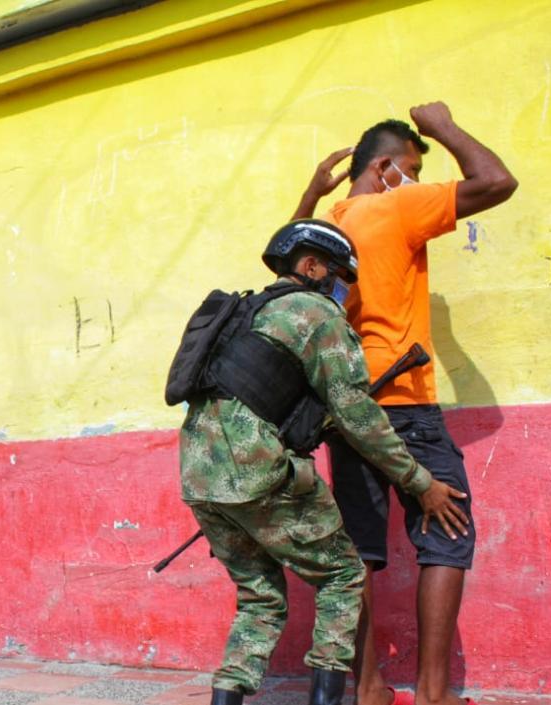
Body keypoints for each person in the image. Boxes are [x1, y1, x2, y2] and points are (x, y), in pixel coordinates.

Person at [179, 220, 470, 705]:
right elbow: (358, 415)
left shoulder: (249, 312)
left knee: (259, 599)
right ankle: (334, 697)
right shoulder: (316, 314)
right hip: (258, 472)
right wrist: (421, 483)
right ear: (309, 266)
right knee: (343, 576)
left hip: (198, 477)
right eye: (338, 279)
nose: (341, 293)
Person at [292, 102, 517, 705]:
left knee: (361, 547)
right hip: (405, 401)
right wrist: (443, 125)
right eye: (414, 166)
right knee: (448, 531)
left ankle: (367, 686)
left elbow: (289, 272)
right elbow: (497, 181)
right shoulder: (397, 202)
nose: (420, 178)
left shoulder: (334, 223)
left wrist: (310, 195)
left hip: (345, 408)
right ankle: (435, 693)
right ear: (387, 167)